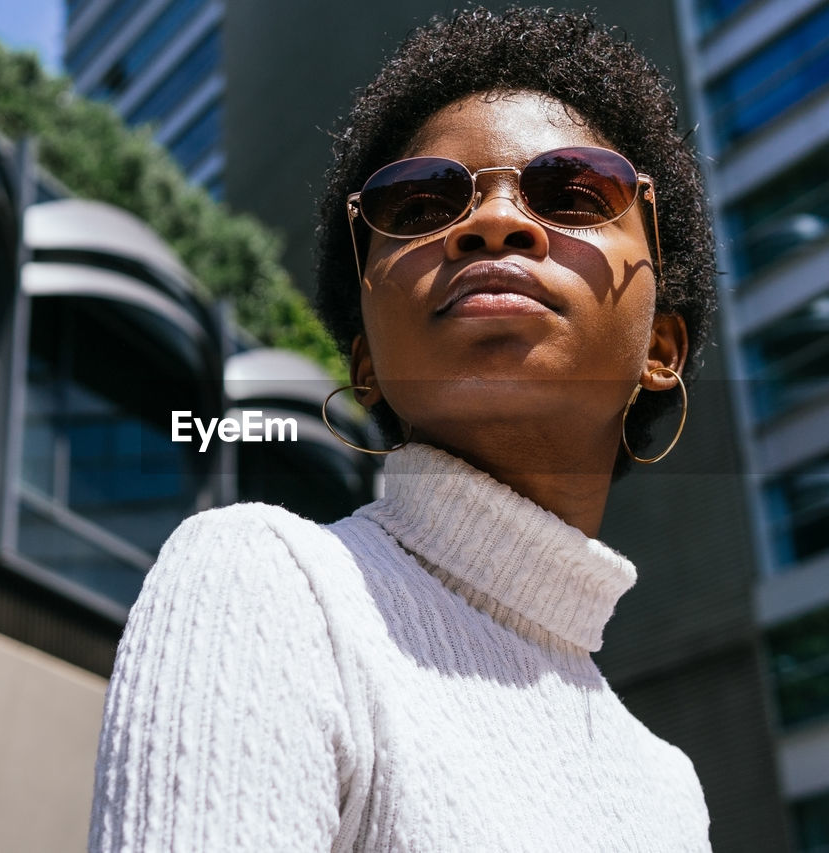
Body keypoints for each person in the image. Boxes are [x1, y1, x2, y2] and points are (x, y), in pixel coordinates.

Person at [90, 7, 717, 851]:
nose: (494, 221)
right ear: (366, 365)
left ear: (663, 349)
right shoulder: (272, 584)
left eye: (572, 191)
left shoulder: (669, 789)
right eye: (420, 205)